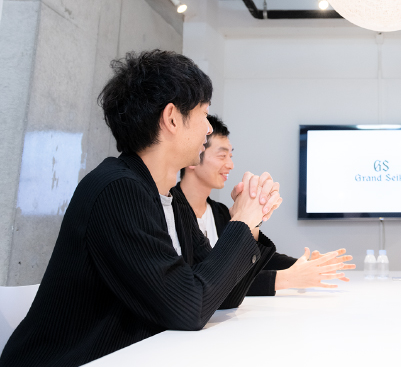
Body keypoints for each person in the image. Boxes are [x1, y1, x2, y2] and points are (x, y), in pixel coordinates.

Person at [1, 50, 282, 366]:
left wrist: (251, 219)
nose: (207, 128)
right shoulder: (117, 189)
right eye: (204, 114)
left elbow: (223, 297)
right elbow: (189, 308)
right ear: (172, 118)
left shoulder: (171, 201)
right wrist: (241, 223)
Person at [172, 114, 355, 295]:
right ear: (194, 153)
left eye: (231, 155)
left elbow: (249, 262)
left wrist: (302, 266)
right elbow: (208, 281)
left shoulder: (220, 213)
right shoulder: (168, 209)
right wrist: (288, 278)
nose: (230, 164)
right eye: (222, 156)